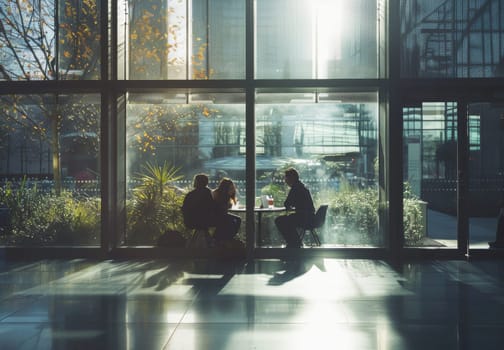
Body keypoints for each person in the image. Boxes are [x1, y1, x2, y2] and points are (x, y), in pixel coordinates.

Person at [275, 168, 315, 248]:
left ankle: (294, 242)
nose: (285, 181)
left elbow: (287, 203)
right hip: (310, 217)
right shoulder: (302, 186)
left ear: (291, 178)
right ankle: (295, 241)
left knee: (279, 220)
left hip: (303, 218)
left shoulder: (295, 188)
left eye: (286, 178)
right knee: (286, 220)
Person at [212, 177, 242, 243]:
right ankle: (226, 239)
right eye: (231, 188)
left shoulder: (226, 196)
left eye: (233, 188)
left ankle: (227, 238)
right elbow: (217, 208)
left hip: (222, 215)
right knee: (231, 221)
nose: (233, 190)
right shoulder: (216, 194)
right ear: (225, 188)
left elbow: (227, 207)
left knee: (237, 219)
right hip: (215, 216)